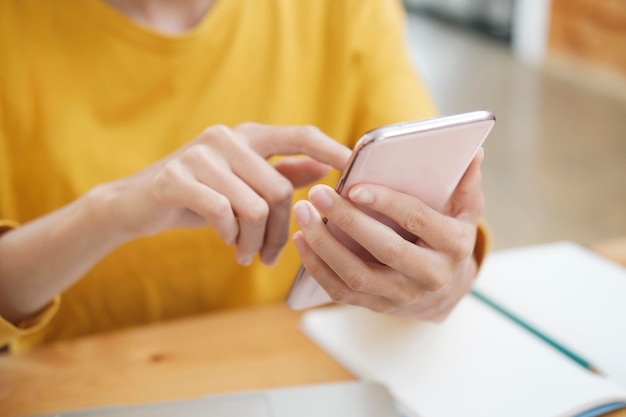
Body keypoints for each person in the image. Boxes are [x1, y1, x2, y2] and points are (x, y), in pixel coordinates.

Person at [0, 0, 489, 352]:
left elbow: (438, 232)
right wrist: (109, 212)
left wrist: (439, 278)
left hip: (301, 368)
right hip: (76, 380)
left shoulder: (347, 11)